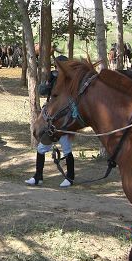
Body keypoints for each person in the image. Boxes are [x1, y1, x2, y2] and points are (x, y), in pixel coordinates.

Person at [25, 55, 75, 188]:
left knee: (66, 149)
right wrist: (49, 82)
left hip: (63, 119)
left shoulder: (70, 81)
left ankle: (70, 177)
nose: (57, 68)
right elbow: (42, 91)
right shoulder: (53, 77)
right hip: (50, 118)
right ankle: (38, 176)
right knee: (42, 148)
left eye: (59, 66)